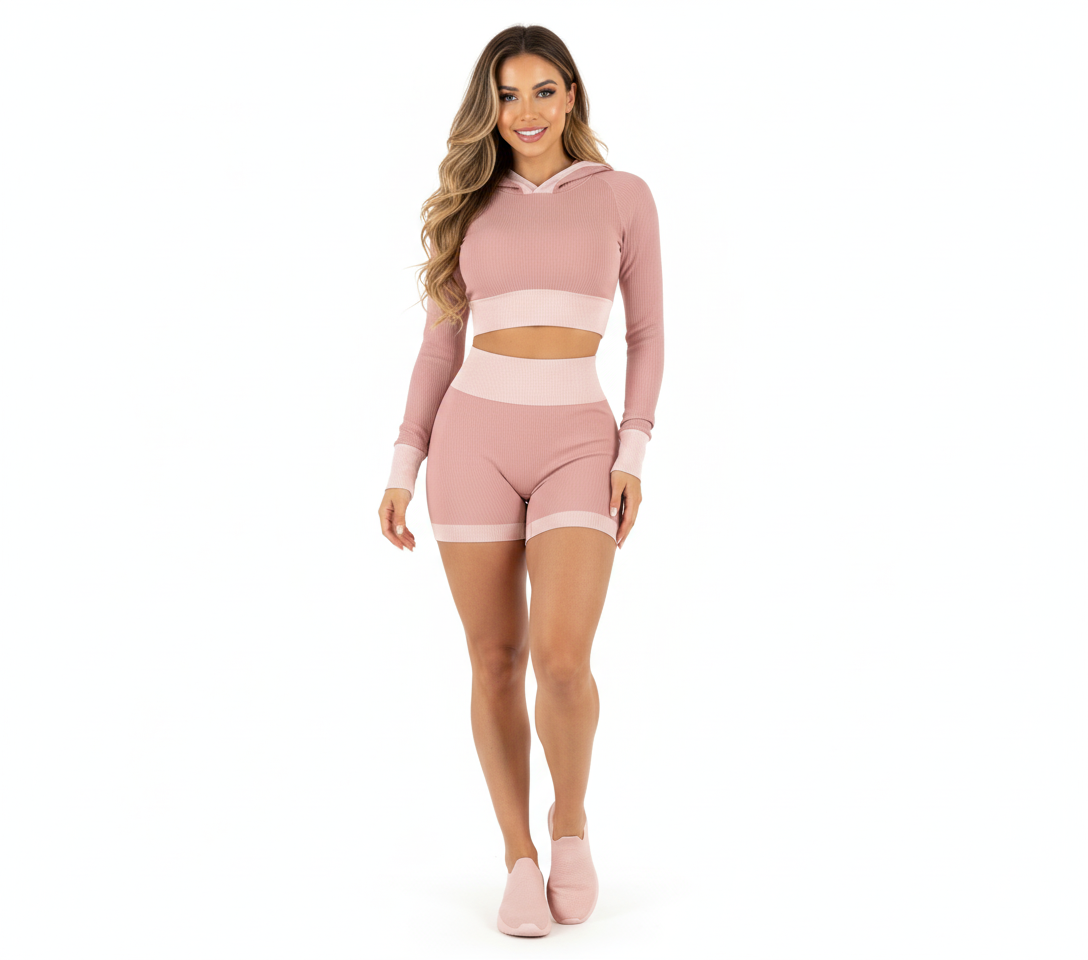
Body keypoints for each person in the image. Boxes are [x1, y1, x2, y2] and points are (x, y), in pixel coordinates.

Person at [377, 24, 664, 938]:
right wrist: (403, 463)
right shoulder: (467, 204)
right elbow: (438, 349)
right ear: (489, 106)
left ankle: (569, 825)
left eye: (543, 91)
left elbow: (647, 336)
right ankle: (518, 857)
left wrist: (632, 453)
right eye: (507, 95)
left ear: (571, 94)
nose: (526, 112)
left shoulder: (622, 197)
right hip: (473, 446)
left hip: (580, 442)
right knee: (495, 661)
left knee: (562, 660)